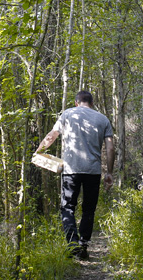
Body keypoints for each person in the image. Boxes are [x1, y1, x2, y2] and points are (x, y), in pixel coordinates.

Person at [36, 90, 115, 260]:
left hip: (71, 170)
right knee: (88, 209)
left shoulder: (67, 114)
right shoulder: (103, 119)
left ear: (76, 102)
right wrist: (109, 172)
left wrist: (38, 152)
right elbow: (110, 148)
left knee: (67, 207)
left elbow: (51, 137)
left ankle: (72, 243)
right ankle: (83, 245)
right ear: (92, 103)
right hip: (93, 171)